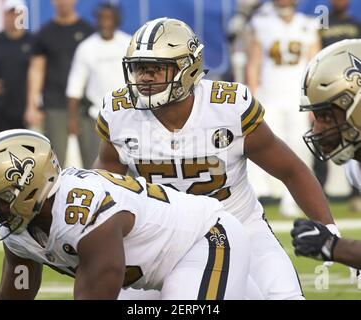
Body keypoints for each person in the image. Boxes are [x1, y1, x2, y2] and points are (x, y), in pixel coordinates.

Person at [93, 17, 336, 300]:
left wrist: (329, 231)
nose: (143, 78)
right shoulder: (120, 114)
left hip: (242, 227)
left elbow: (291, 170)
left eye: (155, 68)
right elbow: (104, 186)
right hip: (165, 238)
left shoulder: (227, 108)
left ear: (188, 67)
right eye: (137, 68)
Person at [0, 129, 251, 300]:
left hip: (205, 240)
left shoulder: (82, 212)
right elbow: (14, 295)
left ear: (30, 185)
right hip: (147, 275)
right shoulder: (18, 229)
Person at [290, 39, 361, 273]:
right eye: (317, 117)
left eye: (328, 117)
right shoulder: (354, 166)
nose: (318, 130)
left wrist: (333, 247)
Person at [246, 0, 321, 216]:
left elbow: (315, 65)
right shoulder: (262, 23)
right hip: (269, 95)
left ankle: (294, 198)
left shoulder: (308, 24)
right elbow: (254, 62)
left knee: (300, 147)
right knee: (264, 146)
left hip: (298, 98)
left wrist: (314, 100)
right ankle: (261, 195)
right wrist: (252, 95)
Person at [25, 0, 94, 165]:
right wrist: (32, 106)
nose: (63, 2)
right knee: (54, 164)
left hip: (85, 106)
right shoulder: (44, 33)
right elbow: (36, 70)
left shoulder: (89, 31)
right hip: (55, 105)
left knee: (94, 163)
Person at [66, 3, 130, 169]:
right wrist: (72, 118)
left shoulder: (128, 43)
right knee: (98, 167)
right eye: (101, 18)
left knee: (129, 166)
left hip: (128, 115)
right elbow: (75, 86)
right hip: (98, 118)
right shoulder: (86, 47)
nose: (105, 23)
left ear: (117, 20)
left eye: (109, 19)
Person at [317, 0, 361, 211]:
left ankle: (355, 194)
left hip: (352, 87)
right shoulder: (323, 23)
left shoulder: (355, 23)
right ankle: (320, 190)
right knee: (326, 135)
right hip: (327, 86)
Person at [0, 0, 33, 133]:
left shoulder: (33, 41)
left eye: (18, 13)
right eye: (11, 14)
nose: (14, 17)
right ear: (5, 15)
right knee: (2, 148)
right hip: (1, 106)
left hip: (26, 107)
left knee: (27, 149)